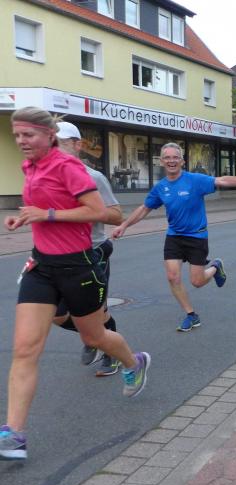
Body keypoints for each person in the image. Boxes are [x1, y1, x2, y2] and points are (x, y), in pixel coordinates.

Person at [1, 107, 150, 461]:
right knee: (25, 349)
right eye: (17, 135)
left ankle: (134, 363)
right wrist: (25, 217)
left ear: (49, 135)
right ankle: (14, 434)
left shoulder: (68, 167)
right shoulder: (30, 166)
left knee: (94, 337)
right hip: (41, 266)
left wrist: (48, 215)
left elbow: (100, 212)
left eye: (28, 135)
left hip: (78, 266)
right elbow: (40, 207)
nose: (21, 141)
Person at [112, 143, 236, 329]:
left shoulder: (195, 180)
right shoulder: (161, 187)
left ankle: (215, 267)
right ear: (161, 161)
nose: (171, 161)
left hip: (196, 237)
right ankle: (191, 315)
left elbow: (222, 181)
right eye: (167, 157)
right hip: (174, 236)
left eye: (175, 157)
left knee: (197, 282)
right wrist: (124, 225)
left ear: (182, 161)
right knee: (172, 277)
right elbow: (144, 208)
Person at [54, 121, 123, 376]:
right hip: (59, 256)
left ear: (77, 145)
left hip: (92, 251)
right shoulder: (47, 177)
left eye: (60, 143)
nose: (55, 150)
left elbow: (116, 216)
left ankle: (111, 352)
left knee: (98, 313)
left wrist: (84, 211)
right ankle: (93, 336)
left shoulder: (93, 177)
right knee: (57, 314)